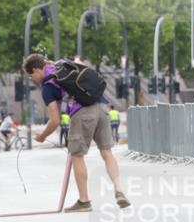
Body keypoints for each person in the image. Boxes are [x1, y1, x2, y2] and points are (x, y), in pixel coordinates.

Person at [23, 54, 130, 213]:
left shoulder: (48, 85)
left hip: (82, 113)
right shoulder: (62, 65)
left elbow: (55, 121)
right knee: (106, 152)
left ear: (36, 69)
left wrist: (42, 136)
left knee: (77, 156)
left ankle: (84, 201)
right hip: (101, 107)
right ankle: (119, 190)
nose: (32, 79)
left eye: (31, 75)